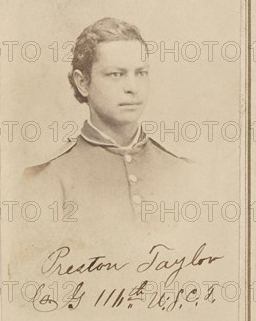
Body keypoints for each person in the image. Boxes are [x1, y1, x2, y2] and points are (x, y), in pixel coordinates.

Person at [23, 17, 192, 228]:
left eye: (141, 73)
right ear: (83, 83)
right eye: (116, 74)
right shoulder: (47, 178)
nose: (132, 87)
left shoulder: (182, 171)